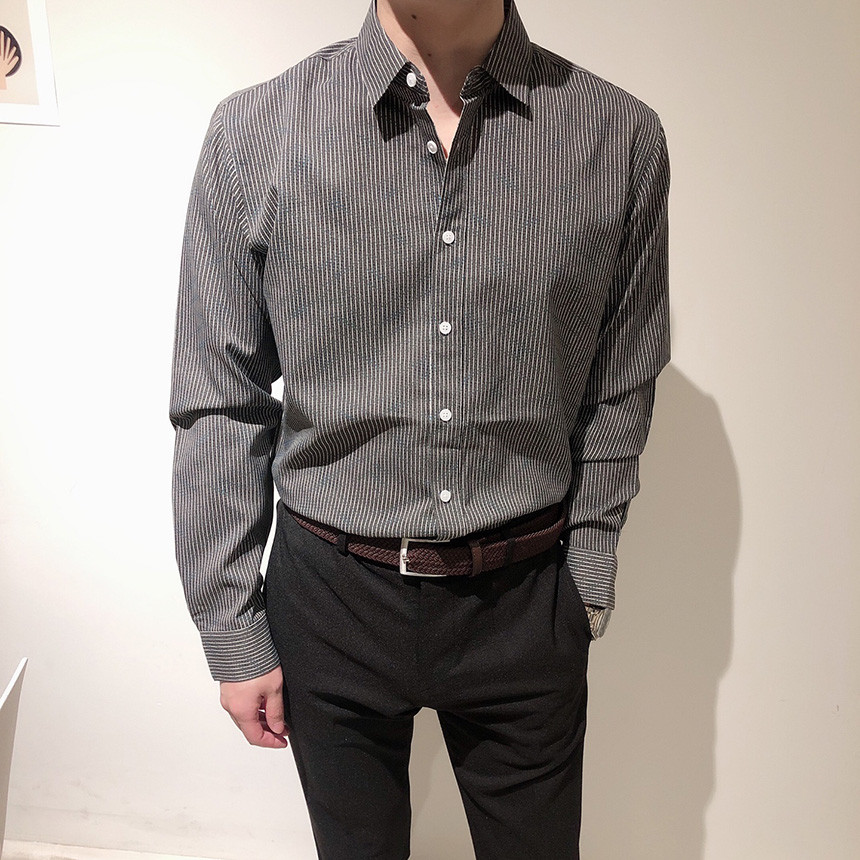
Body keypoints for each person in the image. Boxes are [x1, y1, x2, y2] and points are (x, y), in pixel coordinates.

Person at [169, 0, 669, 857]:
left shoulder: (618, 138)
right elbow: (221, 393)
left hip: (526, 597)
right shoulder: (254, 133)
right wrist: (232, 624)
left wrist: (586, 572)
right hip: (329, 597)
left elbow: (622, 375)